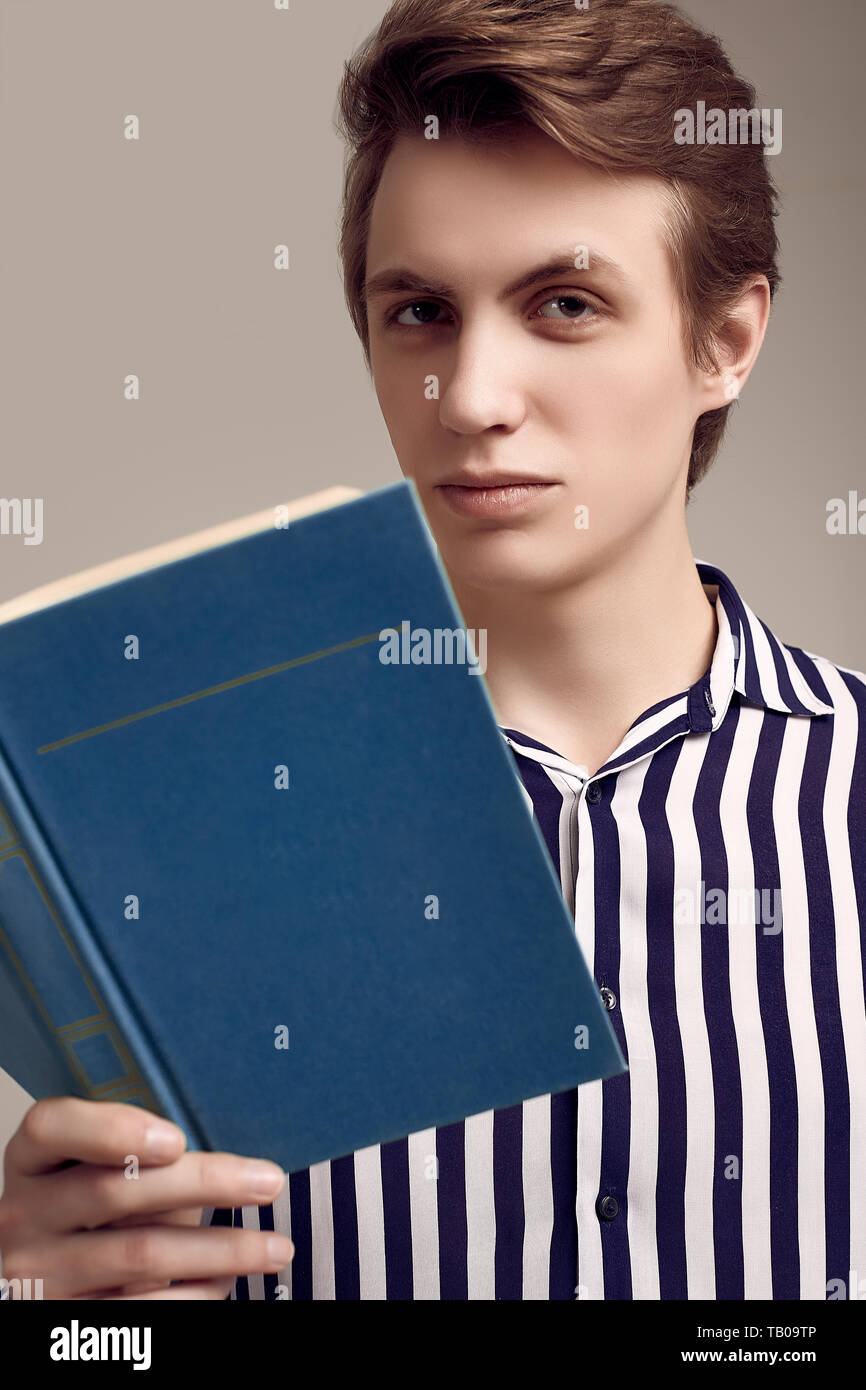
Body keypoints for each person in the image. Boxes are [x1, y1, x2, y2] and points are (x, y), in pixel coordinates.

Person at [1, 0, 863, 1301]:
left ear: (723, 341)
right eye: (418, 313)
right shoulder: (194, 848)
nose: (468, 398)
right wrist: (54, 1318)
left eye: (563, 303)